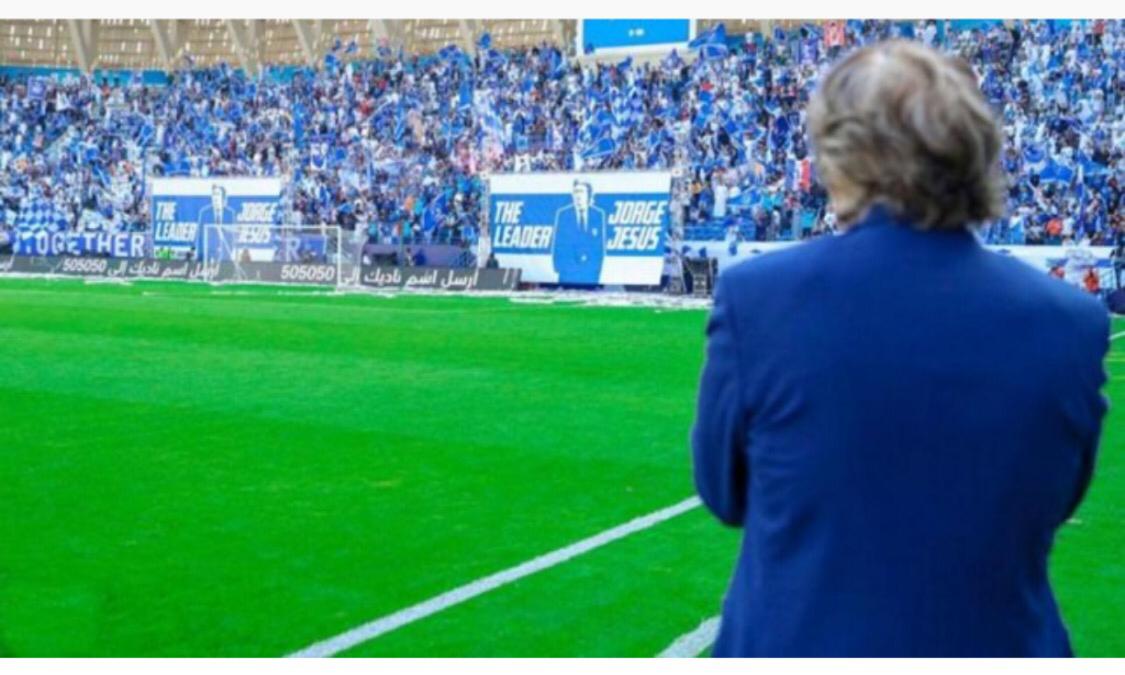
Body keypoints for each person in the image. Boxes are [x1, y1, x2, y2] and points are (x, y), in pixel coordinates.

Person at [692, 41, 1110, 657]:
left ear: (842, 157)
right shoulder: (1071, 321)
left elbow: (723, 492)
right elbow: (1055, 498)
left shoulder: (758, 297)